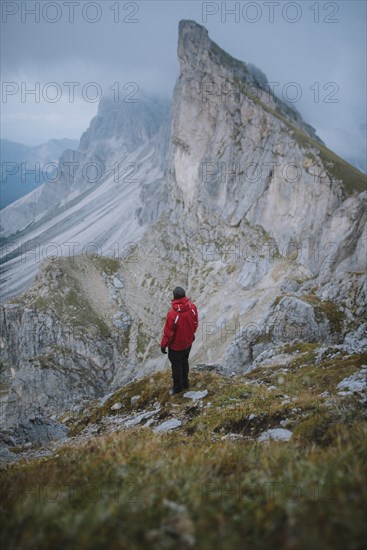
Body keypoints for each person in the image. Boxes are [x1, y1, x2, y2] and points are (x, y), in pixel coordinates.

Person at [160, 286, 198, 395]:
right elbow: (195, 324)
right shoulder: (192, 307)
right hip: (188, 343)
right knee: (184, 362)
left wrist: (163, 345)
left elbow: (168, 333)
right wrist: (190, 335)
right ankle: (185, 383)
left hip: (176, 347)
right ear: (185, 295)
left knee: (176, 367)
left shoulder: (173, 314)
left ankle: (177, 388)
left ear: (174, 297)